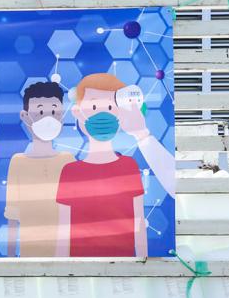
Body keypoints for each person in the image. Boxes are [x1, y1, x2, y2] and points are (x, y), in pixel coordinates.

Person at [55, 72, 175, 258]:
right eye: (94, 106)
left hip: (123, 263)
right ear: (77, 112)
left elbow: (138, 222)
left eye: (110, 107)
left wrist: (142, 263)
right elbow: (63, 228)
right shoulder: (70, 172)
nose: (103, 114)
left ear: (120, 113)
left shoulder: (129, 167)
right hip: (79, 266)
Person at [6, 80, 74, 258]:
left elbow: (76, 215)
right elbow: (12, 215)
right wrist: (10, 260)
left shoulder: (68, 161)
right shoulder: (18, 162)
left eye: (54, 112)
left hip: (67, 258)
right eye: (40, 112)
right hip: (30, 256)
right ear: (25, 116)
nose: (47, 119)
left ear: (62, 117)